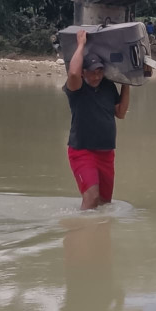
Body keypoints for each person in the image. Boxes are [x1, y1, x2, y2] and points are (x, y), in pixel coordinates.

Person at [64, 30, 130, 210]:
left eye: (100, 71)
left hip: (106, 153)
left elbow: (121, 112)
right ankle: (82, 231)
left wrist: (127, 81)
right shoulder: (76, 89)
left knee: (104, 203)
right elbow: (73, 75)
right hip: (82, 151)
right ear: (84, 72)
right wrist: (81, 45)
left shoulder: (108, 86)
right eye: (92, 72)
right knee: (91, 198)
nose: (96, 76)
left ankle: (97, 235)